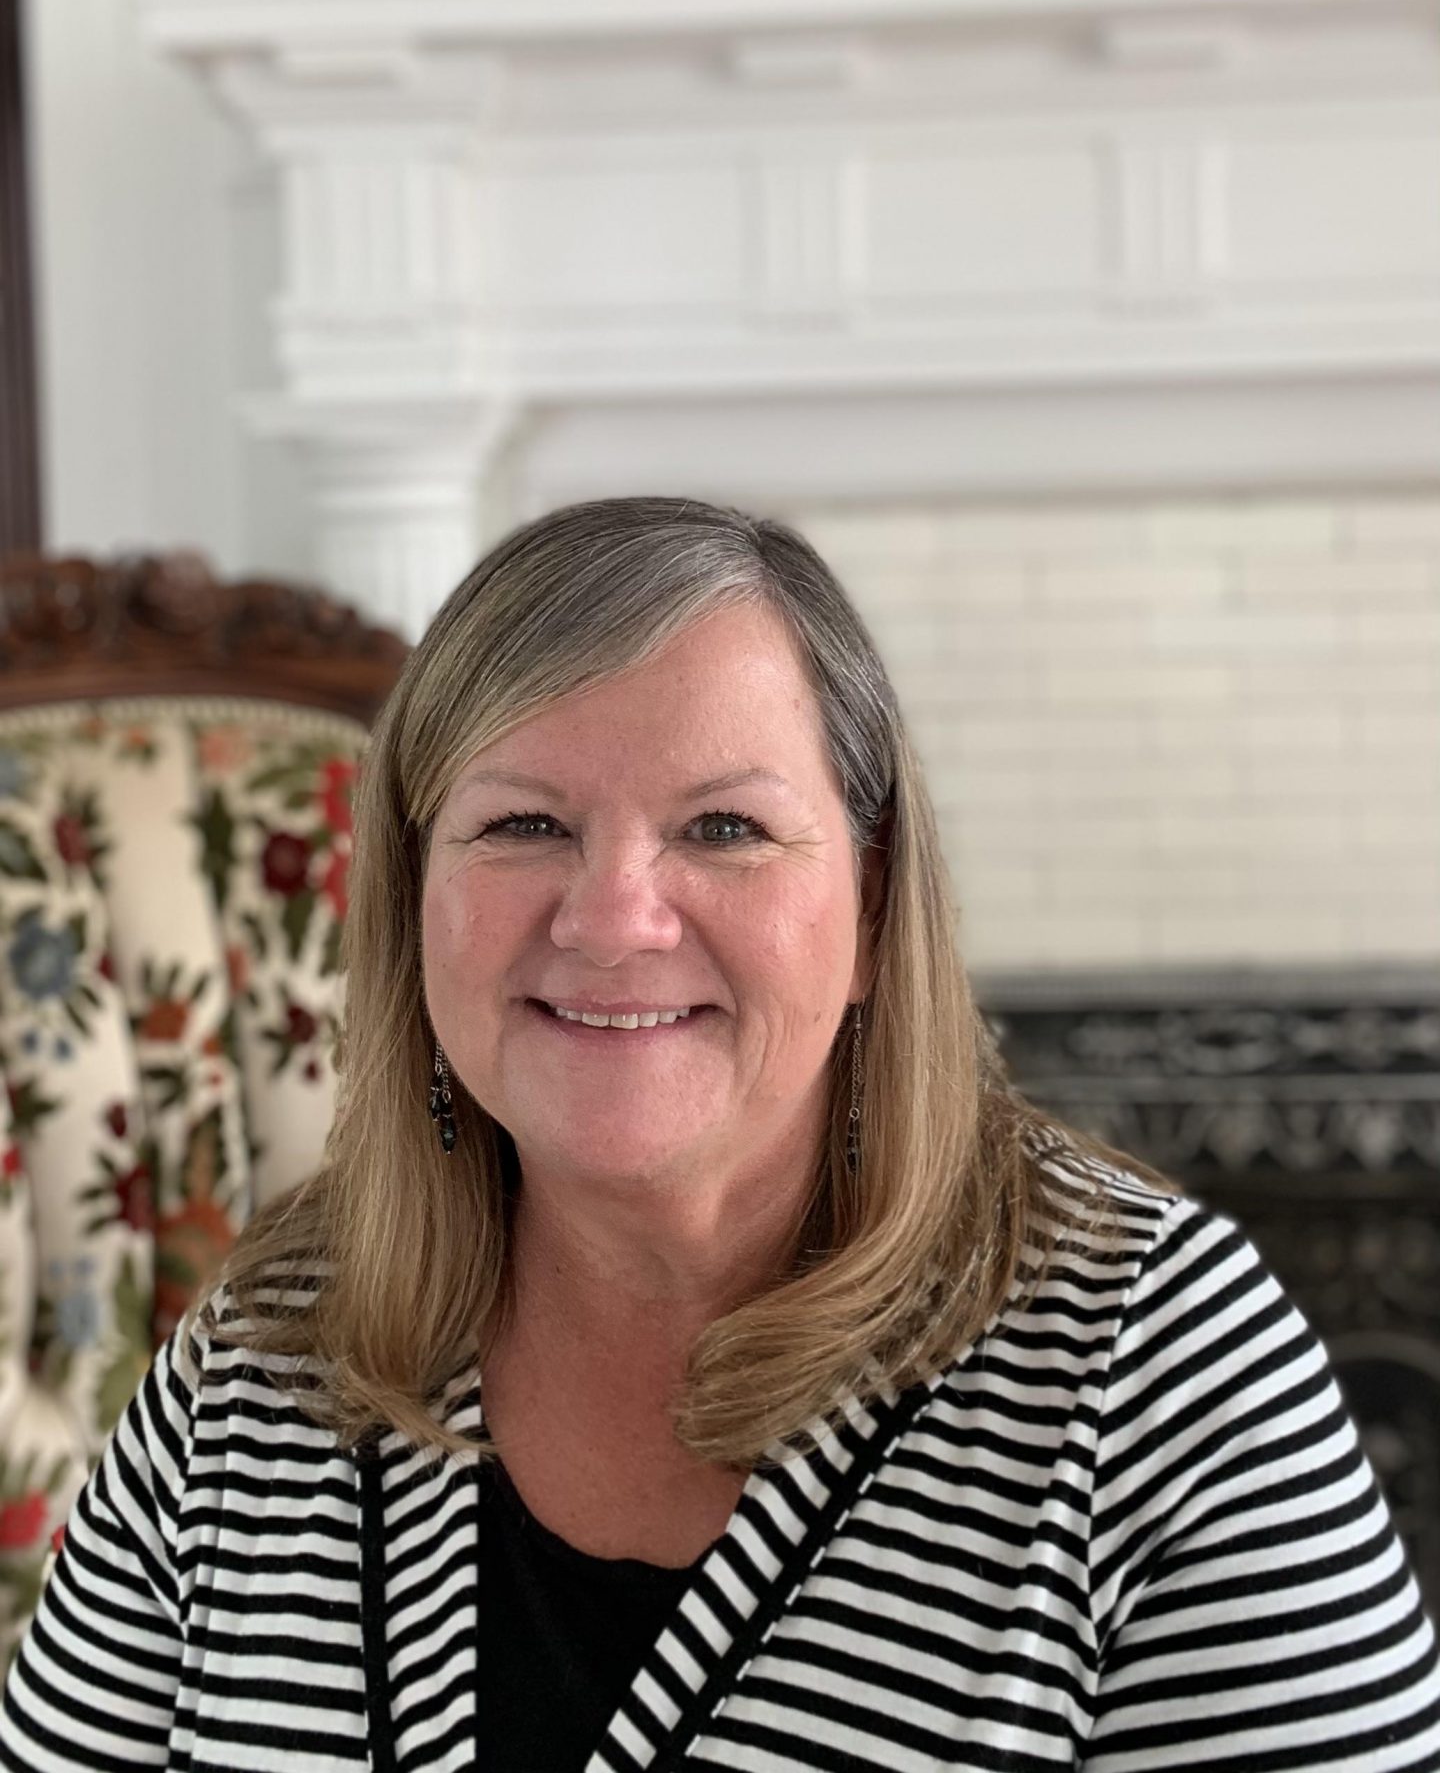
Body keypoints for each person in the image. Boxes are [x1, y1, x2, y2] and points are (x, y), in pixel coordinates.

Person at [2, 495, 1437, 1773]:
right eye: (523, 826)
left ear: (873, 909)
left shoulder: (1161, 1360)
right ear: (411, 899)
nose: (614, 918)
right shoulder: (265, 1356)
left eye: (727, 830)